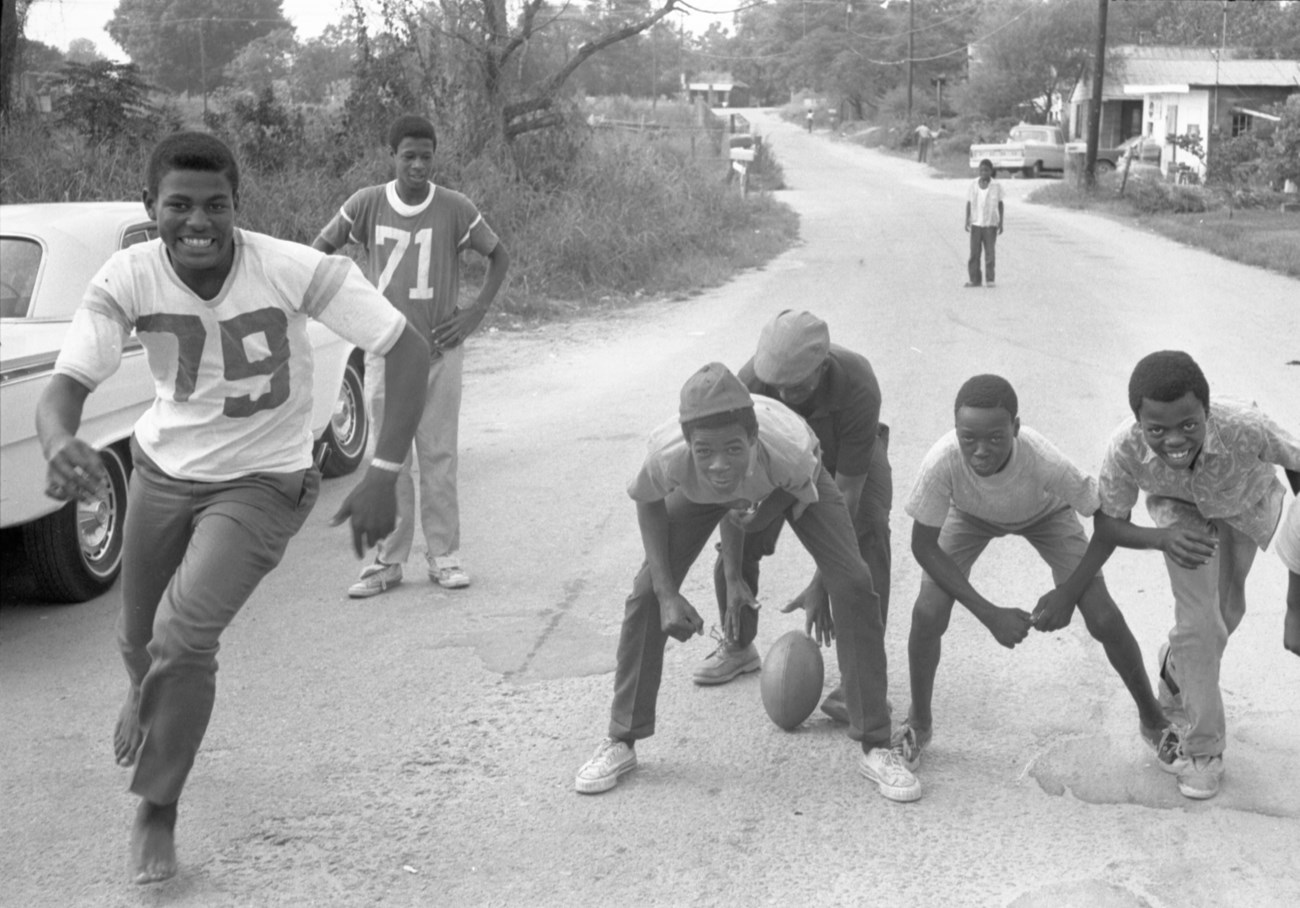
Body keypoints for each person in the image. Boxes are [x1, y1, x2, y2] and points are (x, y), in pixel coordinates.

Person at [35, 131, 430, 884]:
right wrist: (57, 438)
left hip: (264, 480)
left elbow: (404, 347)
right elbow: (65, 390)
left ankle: (157, 808)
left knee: (181, 640)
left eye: (216, 205)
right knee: (137, 641)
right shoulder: (126, 276)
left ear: (236, 208)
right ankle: (149, 697)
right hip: (161, 467)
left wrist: (381, 470)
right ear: (150, 208)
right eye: (178, 205)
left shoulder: (292, 267)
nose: (198, 222)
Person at [573, 363, 920, 802]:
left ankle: (876, 743)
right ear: (688, 443)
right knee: (644, 595)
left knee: (852, 583)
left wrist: (766, 514)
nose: (719, 465)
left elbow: (788, 504)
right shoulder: (668, 455)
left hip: (787, 486)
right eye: (705, 452)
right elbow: (649, 504)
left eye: (734, 449)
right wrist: (669, 593)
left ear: (753, 440)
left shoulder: (788, 452)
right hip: (714, 491)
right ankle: (621, 739)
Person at [1034, 351, 1300, 800]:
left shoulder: (1245, 425)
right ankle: (1204, 750)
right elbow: (1109, 524)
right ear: (1139, 421)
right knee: (1199, 624)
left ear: (1207, 412)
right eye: (1156, 429)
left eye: (1188, 425)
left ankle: (1175, 666)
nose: (1174, 440)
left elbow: (1295, 462)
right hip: (1180, 521)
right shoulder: (1125, 446)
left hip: (1245, 508)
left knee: (1226, 615)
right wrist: (1161, 539)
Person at [894, 374, 1172, 776]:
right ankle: (918, 723)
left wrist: (1069, 593)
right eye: (968, 437)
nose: (980, 450)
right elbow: (923, 546)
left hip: (1046, 514)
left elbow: (1108, 517)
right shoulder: (943, 461)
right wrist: (988, 613)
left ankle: (1155, 721)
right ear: (955, 430)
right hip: (969, 516)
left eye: (995, 437)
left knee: (1103, 616)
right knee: (927, 613)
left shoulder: (1043, 460)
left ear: (1017, 429)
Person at [314, 114, 510, 597]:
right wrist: (342, 308)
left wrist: (474, 313)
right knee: (389, 457)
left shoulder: (455, 208)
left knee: (439, 455)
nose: (418, 165)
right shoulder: (367, 203)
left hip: (441, 351)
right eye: (409, 156)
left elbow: (499, 254)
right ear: (393, 156)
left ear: (434, 156)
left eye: (426, 155)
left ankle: (444, 555)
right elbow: (320, 249)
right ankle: (387, 560)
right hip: (386, 353)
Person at [692, 311, 892, 728]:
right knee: (745, 531)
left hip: (843, 458)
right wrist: (732, 575)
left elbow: (848, 496)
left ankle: (858, 686)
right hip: (778, 456)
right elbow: (732, 491)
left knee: (868, 540)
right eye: (776, 383)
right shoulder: (748, 386)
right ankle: (739, 643)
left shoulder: (857, 385)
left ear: (823, 367)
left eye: (797, 385)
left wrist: (823, 582)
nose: (783, 390)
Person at [964, 159, 1003, 288]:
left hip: (990, 225)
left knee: (990, 253)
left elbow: (1000, 203)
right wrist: (967, 219)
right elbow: (969, 202)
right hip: (976, 224)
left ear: (991, 171)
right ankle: (975, 279)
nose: (983, 172)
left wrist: (1001, 222)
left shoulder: (996, 186)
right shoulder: (973, 184)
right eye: (981, 170)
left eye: (986, 170)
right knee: (974, 253)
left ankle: (990, 279)